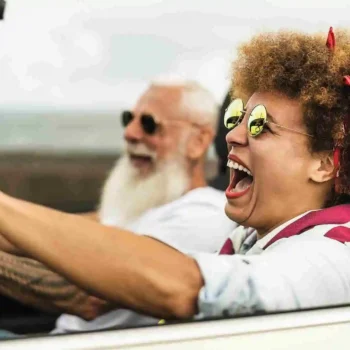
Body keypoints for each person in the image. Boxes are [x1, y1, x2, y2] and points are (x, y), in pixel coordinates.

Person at [0, 27, 349, 325]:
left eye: (260, 125)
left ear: (324, 164)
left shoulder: (333, 254)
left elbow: (188, 287)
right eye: (235, 118)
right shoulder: (248, 236)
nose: (232, 135)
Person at [0, 80, 236, 334]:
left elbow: (85, 296)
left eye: (149, 124)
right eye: (128, 119)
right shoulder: (142, 206)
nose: (131, 133)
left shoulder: (201, 216)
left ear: (198, 141)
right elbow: (43, 233)